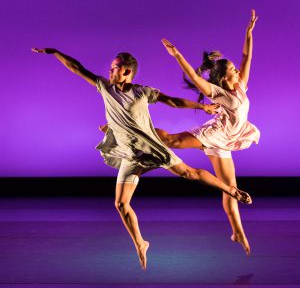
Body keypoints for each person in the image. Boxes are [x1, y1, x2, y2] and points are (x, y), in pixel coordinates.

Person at [32, 47, 252, 269]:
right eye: (110, 68)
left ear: (127, 72)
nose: (109, 72)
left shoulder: (141, 92)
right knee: (121, 203)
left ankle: (232, 190)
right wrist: (55, 52)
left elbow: (173, 102)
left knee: (190, 173)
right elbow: (77, 68)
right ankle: (141, 243)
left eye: (114, 68)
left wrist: (202, 106)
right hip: (131, 154)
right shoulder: (105, 88)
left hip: (151, 148)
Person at [156, 10, 260, 255]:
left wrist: (248, 33)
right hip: (216, 133)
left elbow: (246, 56)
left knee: (230, 187)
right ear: (225, 77)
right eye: (234, 70)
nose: (238, 71)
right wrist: (178, 55)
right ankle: (138, 128)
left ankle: (237, 232)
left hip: (227, 139)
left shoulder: (240, 86)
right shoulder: (220, 92)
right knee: (172, 141)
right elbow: (193, 77)